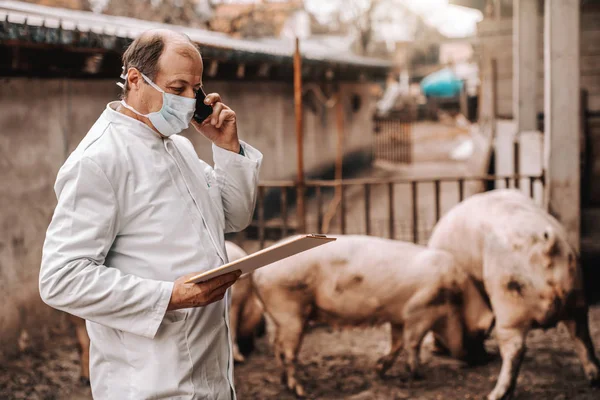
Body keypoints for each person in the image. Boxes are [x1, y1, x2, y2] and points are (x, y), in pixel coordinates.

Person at [39, 29, 262, 399]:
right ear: (134, 80)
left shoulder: (180, 148)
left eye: (196, 89)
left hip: (210, 372)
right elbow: (60, 279)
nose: (191, 101)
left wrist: (227, 148)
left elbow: (234, 218)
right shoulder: (98, 160)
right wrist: (168, 296)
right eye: (178, 89)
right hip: (149, 382)